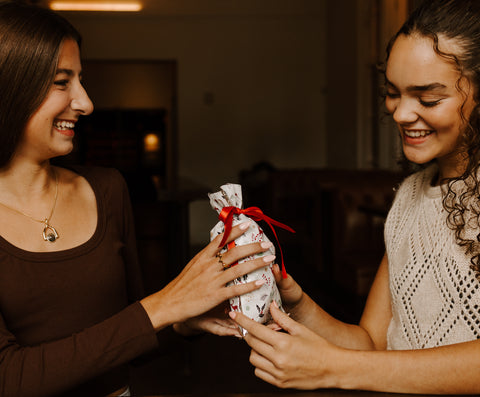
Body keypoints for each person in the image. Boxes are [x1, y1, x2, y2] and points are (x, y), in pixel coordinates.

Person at [0, 2, 276, 396]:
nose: (85, 102)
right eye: (62, 82)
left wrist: (182, 320)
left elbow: (128, 341)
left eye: (81, 80)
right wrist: (164, 305)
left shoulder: (108, 189)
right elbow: (9, 377)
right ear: (10, 87)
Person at [230, 0, 480, 394]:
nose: (400, 114)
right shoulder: (411, 196)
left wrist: (335, 369)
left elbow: (356, 363)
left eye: (428, 98)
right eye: (393, 93)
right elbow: (372, 344)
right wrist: (297, 305)